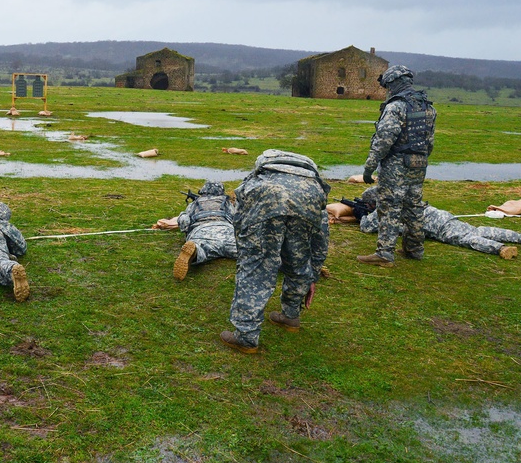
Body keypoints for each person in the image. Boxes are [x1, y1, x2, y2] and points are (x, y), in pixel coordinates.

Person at [221, 150, 330, 354]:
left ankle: (246, 336)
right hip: (307, 201)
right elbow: (321, 237)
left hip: (266, 197)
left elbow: (240, 214)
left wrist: (247, 250)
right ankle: (290, 316)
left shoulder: (259, 175)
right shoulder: (314, 185)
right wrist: (312, 274)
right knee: (299, 260)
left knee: (257, 268)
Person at [357, 65, 437, 267]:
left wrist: (370, 166)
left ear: (393, 84)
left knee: (389, 207)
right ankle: (414, 249)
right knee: (413, 207)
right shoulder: (427, 106)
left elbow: (384, 138)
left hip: (396, 165)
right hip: (419, 164)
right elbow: (429, 141)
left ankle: (384, 253)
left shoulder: (396, 106)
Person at [355, 186, 521, 259]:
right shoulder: (403, 198)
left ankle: (500, 248)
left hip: (440, 227)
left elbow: (366, 227)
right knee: (478, 230)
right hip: (443, 216)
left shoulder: (387, 206)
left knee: (467, 239)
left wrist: (360, 214)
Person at [164, 180, 237, 281]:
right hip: (226, 231)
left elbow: (184, 220)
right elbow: (237, 219)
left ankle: (194, 251)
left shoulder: (194, 204)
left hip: (201, 231)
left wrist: (186, 231)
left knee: (203, 250)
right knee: (243, 251)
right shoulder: (227, 203)